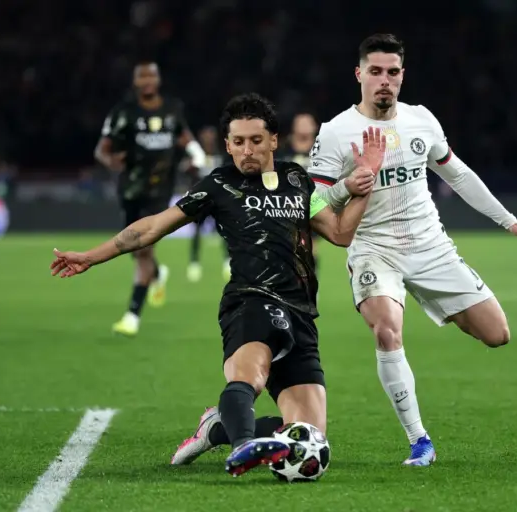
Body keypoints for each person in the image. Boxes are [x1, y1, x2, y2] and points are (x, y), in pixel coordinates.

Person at [51, 93, 385, 477]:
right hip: (250, 300)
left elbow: (340, 233)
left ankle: (216, 428)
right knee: (249, 377)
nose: (247, 151)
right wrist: (92, 256)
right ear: (227, 145)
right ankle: (243, 447)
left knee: (310, 434)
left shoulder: (297, 180)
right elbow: (152, 227)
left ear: (274, 140)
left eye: (256, 141)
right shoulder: (219, 185)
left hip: (301, 312)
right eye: (238, 142)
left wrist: (366, 183)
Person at [306, 34, 517, 467]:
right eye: (375, 71)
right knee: (386, 330)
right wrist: (349, 184)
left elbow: (459, 175)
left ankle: (438, 302)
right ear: (359, 74)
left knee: (497, 334)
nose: (384, 80)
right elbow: (312, 200)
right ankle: (419, 440)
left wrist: (510, 222)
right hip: (375, 250)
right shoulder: (337, 131)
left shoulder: (421, 120)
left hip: (430, 247)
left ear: (403, 76)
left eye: (392, 72)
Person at [94, 60, 206, 337]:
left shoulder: (172, 110)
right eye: (141, 76)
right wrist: (111, 161)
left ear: (158, 79)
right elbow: (102, 150)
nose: (147, 80)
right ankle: (157, 274)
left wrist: (197, 154)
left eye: (151, 75)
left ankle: (132, 316)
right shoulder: (124, 113)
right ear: (135, 81)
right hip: (131, 190)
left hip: (159, 191)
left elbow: (185, 137)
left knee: (143, 249)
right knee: (134, 248)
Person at [186, 125, 231, 283]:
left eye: (211, 136)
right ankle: (194, 263)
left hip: (218, 200)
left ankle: (227, 262)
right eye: (206, 136)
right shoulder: (197, 157)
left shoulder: (221, 157)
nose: (209, 139)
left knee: (225, 231)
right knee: (197, 232)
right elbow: (188, 173)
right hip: (200, 200)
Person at [282, 113, 322, 276]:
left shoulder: (322, 150)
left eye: (307, 123)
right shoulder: (283, 150)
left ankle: (311, 279)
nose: (304, 127)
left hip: (314, 204)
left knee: (311, 247)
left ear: (315, 127)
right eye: (301, 123)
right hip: (286, 206)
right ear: (294, 127)